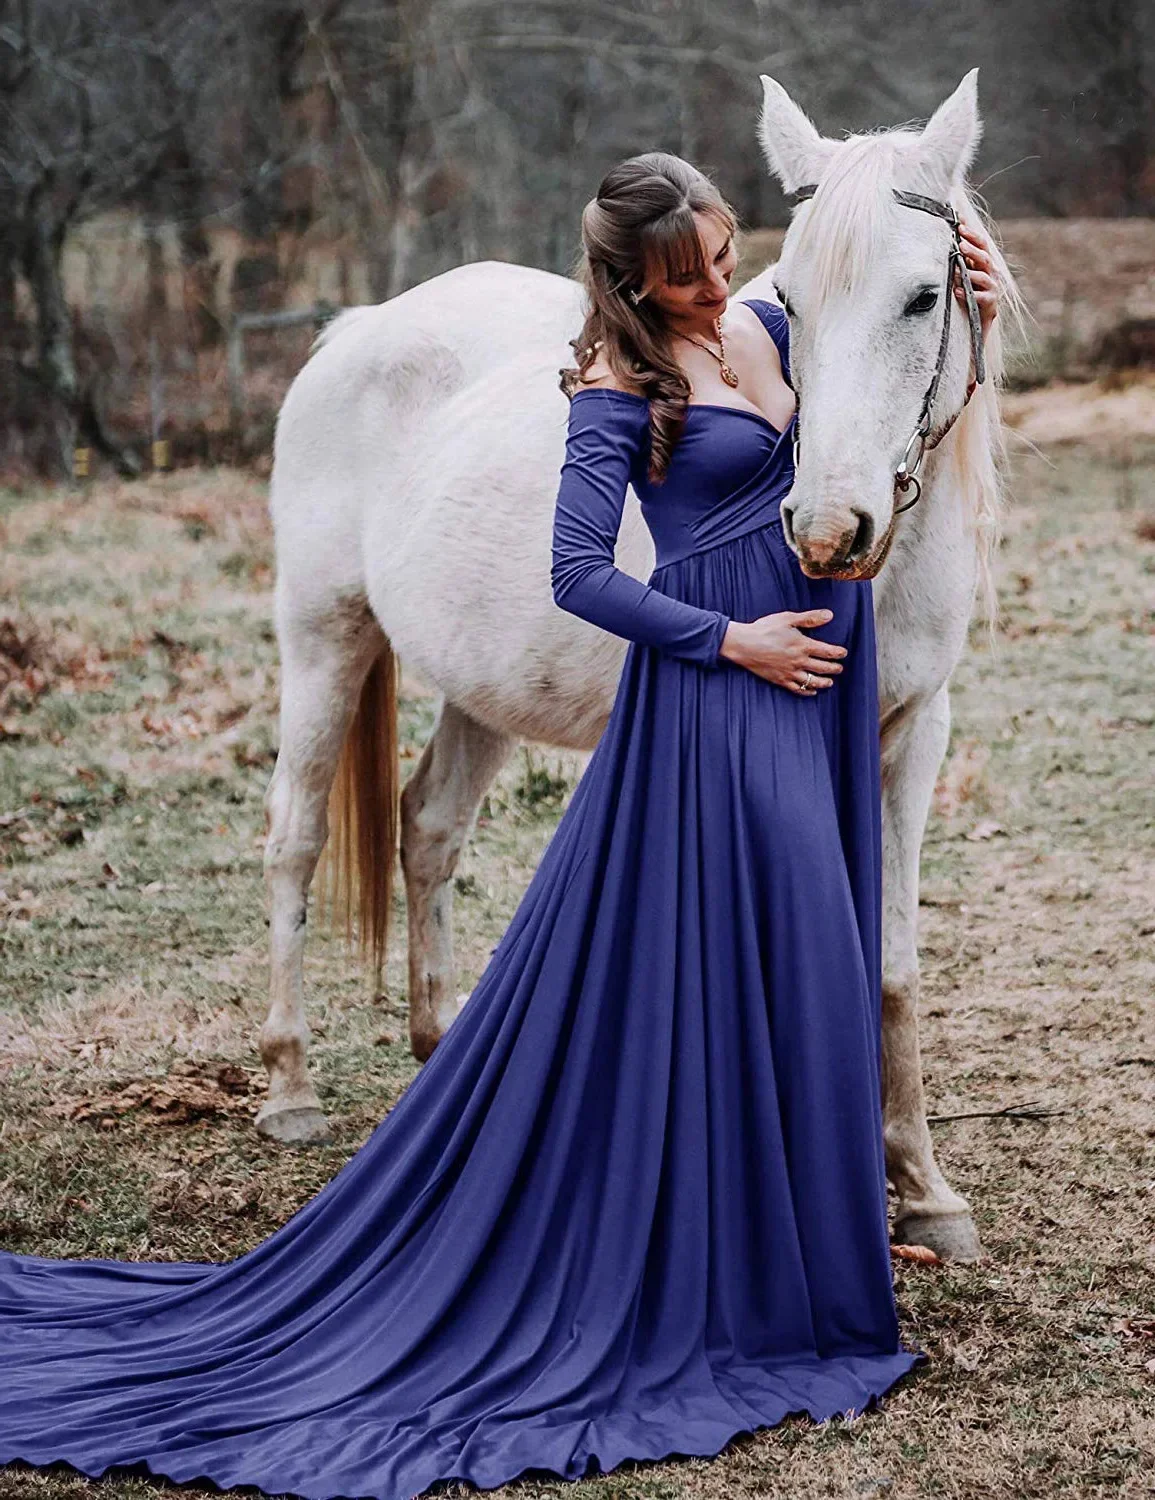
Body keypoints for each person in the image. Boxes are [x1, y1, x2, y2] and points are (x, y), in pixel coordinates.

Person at [0, 152, 1000, 1500]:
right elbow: (576, 575)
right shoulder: (609, 389)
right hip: (715, 690)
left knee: (806, 943)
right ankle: (671, 1252)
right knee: (695, 967)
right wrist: (729, 641)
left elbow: (874, 310)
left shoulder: (760, 330)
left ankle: (800, 1251)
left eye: (724, 253)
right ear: (635, 282)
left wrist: (967, 273)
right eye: (692, 269)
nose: (723, 283)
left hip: (796, 694)